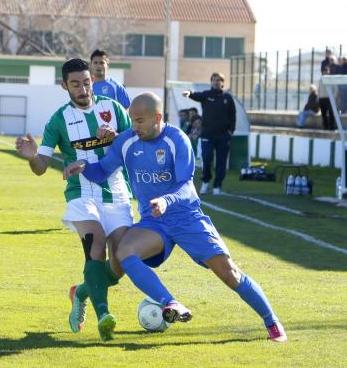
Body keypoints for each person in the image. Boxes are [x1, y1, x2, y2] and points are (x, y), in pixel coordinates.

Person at [64, 92, 287, 342]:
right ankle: (170, 303)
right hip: (153, 222)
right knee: (124, 251)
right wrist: (84, 167)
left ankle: (272, 322)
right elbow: (103, 170)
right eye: (132, 120)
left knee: (229, 273)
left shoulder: (177, 140)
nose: (133, 126)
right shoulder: (126, 141)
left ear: (157, 117)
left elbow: (188, 187)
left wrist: (166, 200)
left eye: (139, 121)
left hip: (187, 218)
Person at [15, 58, 133, 341]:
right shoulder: (58, 119)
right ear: (64, 86)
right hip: (81, 194)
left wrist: (116, 136)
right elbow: (42, 165)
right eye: (76, 84)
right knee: (96, 243)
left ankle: (81, 292)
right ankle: (103, 316)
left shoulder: (113, 108)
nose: (83, 89)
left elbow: (134, 143)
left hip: (116, 192)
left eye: (86, 82)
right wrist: (33, 157)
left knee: (122, 261)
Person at [182, 72, 236, 195]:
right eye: (214, 79)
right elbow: (195, 95)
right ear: (211, 81)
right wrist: (189, 93)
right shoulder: (206, 95)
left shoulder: (228, 98)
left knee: (221, 161)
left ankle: (217, 186)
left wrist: (231, 130)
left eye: (219, 80)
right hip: (207, 134)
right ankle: (206, 181)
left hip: (223, 135)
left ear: (223, 82)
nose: (217, 82)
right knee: (206, 159)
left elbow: (233, 115)